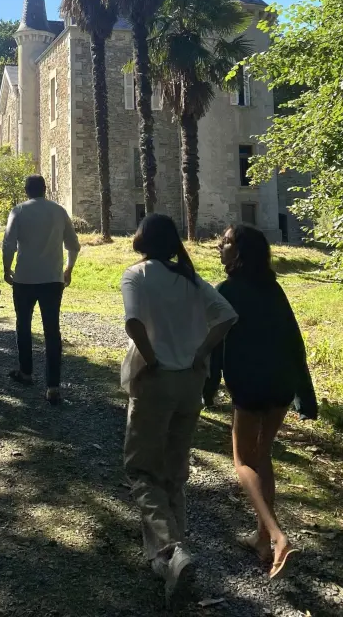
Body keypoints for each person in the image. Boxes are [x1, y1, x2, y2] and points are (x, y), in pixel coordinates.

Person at [121, 213, 237, 606]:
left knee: (141, 471)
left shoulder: (136, 275)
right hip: (190, 383)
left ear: (141, 240)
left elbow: (133, 323)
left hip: (156, 381)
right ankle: (167, 559)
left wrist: (152, 359)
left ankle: (172, 550)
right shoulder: (190, 278)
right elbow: (227, 316)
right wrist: (200, 353)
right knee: (173, 471)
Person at [203, 225, 317, 580]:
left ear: (239, 252)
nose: (220, 246)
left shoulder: (226, 291)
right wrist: (304, 393)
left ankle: (278, 536)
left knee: (242, 461)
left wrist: (208, 389)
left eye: (226, 242)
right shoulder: (274, 288)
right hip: (282, 383)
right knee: (263, 455)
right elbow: (294, 340)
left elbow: (214, 346)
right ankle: (261, 539)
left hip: (250, 385)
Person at [2, 174, 80, 404]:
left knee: (23, 325)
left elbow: (8, 244)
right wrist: (68, 269)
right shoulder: (59, 211)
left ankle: (26, 371)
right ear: (45, 189)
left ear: (26, 190)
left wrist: (6, 269)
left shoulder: (18, 211)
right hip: (52, 279)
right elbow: (73, 245)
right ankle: (53, 386)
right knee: (52, 330)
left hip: (25, 278)